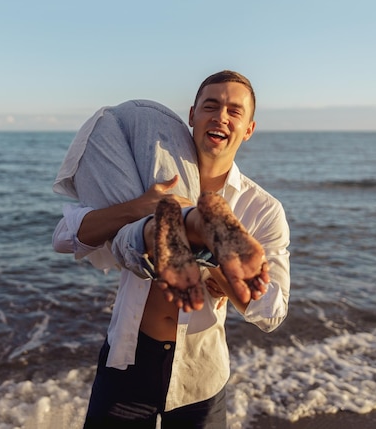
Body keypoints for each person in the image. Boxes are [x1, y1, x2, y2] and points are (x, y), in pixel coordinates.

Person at [52, 70, 290, 428]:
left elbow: (273, 311)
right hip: (129, 359)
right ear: (192, 116)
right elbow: (64, 237)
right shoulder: (152, 177)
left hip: (198, 373)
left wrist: (214, 271)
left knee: (145, 237)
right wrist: (140, 205)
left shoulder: (262, 208)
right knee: (146, 231)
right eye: (211, 105)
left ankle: (193, 227)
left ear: (249, 128)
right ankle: (191, 223)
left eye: (234, 111)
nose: (221, 116)